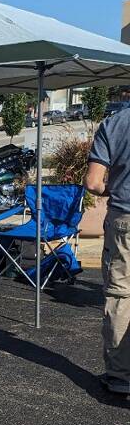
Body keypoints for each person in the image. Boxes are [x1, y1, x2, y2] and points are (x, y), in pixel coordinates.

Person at [86, 109, 130, 395]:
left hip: (125, 218)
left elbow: (92, 182)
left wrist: (113, 187)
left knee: (121, 294)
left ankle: (120, 376)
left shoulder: (115, 123)